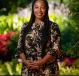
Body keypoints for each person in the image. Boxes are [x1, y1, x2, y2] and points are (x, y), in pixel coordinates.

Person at [17, 0, 63, 76]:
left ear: (47, 9)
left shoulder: (53, 26)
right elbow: (20, 47)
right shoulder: (25, 27)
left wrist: (40, 62)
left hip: (47, 70)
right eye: (36, 7)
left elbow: (55, 48)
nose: (39, 10)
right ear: (33, 9)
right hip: (28, 69)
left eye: (42, 7)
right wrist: (25, 61)